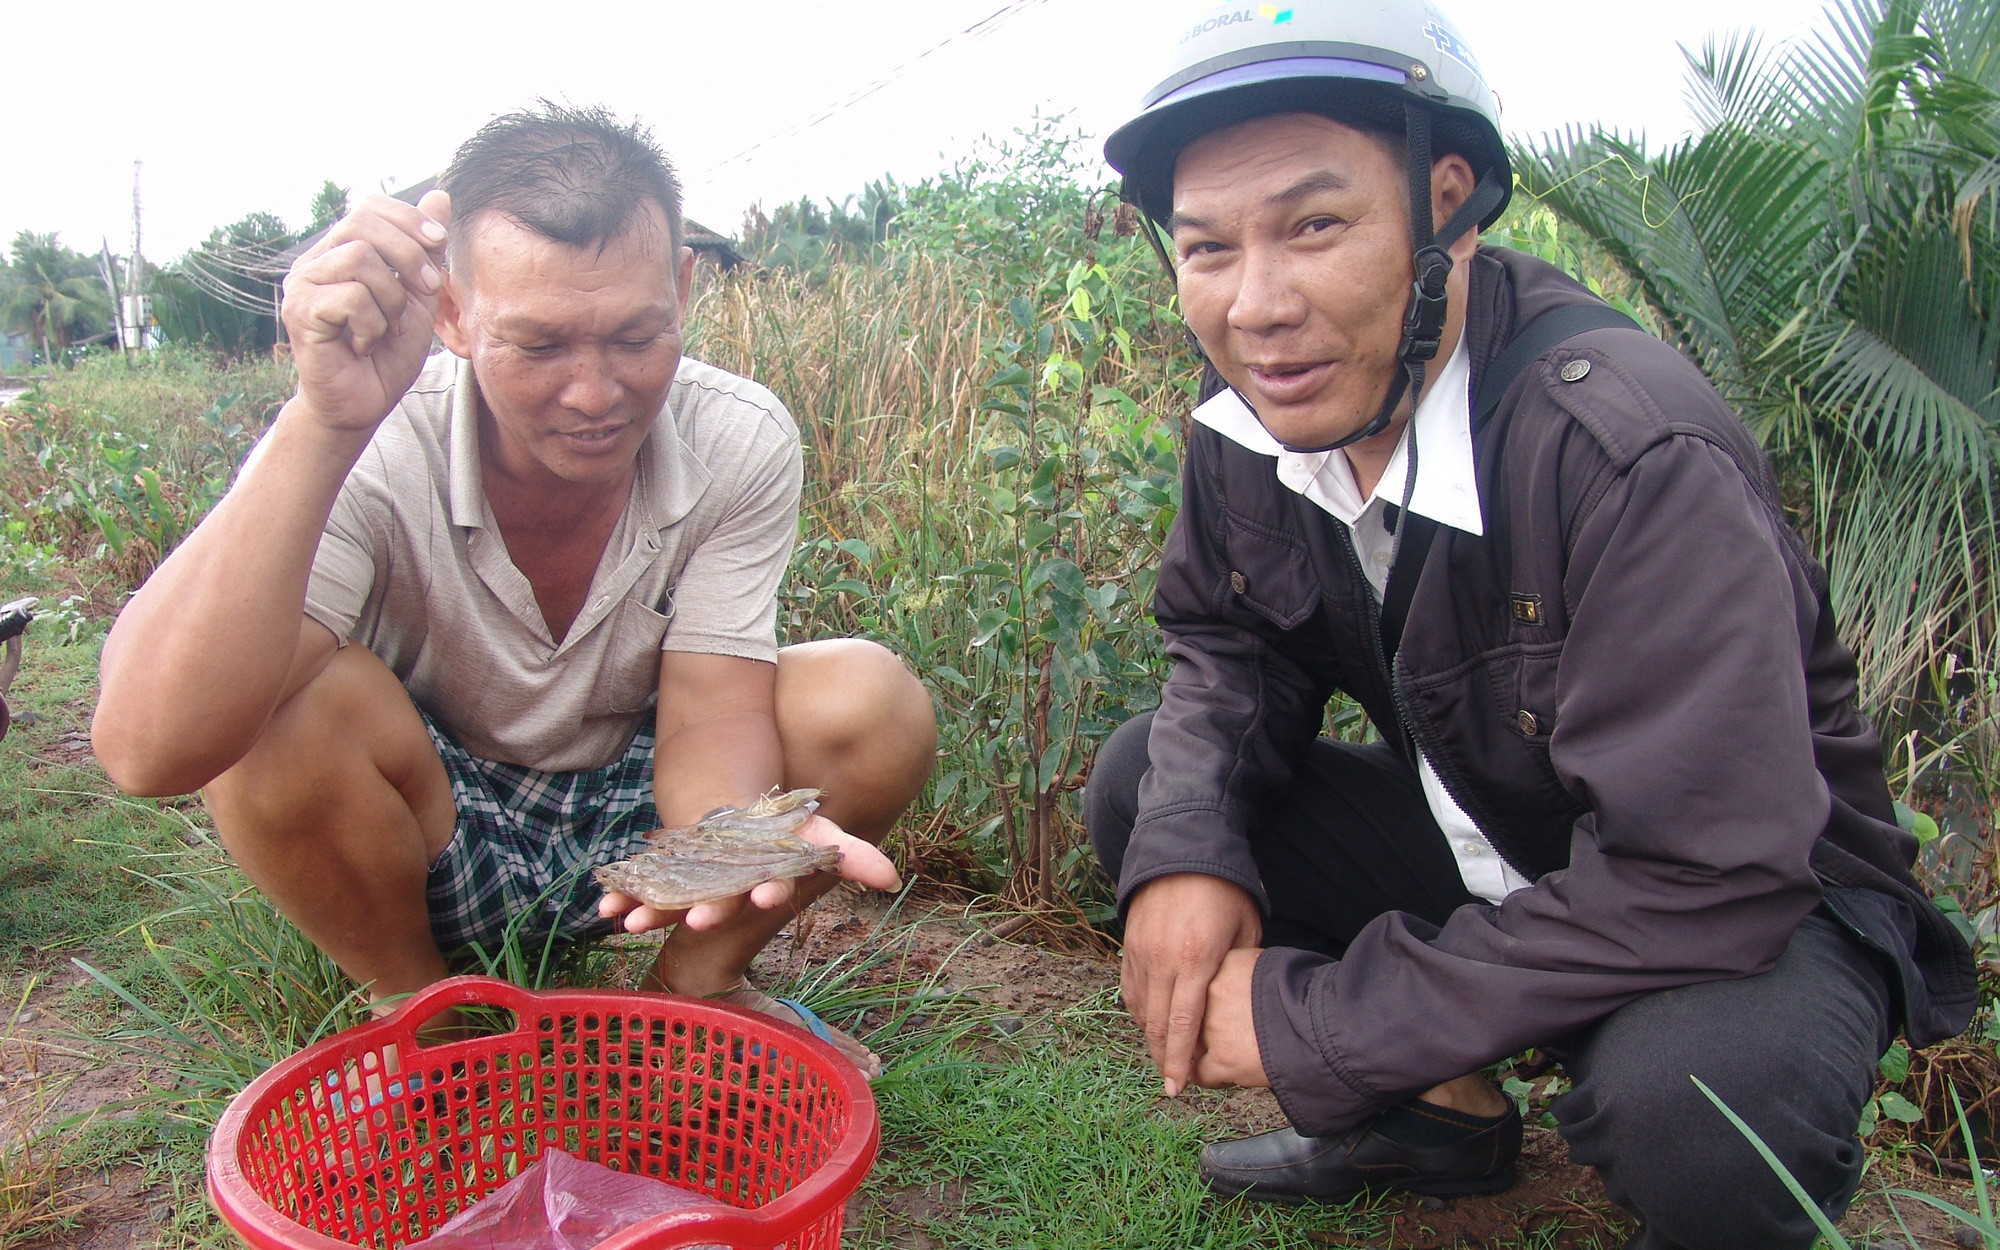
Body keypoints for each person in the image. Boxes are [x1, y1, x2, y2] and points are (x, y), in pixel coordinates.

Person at [1084, 4, 1975, 1245]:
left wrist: (1321, 1025)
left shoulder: (1624, 450)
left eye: (1314, 225)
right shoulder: (1256, 407)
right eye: (1206, 249)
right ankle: (1436, 1119)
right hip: (1515, 836)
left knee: (1705, 1113)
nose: (1257, 305)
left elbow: (1705, 866)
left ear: (1444, 200)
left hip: (1751, 892)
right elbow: (1224, 642)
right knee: (1149, 783)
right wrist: (1185, 849)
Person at [91, 104, 935, 1075]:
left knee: (868, 694)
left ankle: (690, 985)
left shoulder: (738, 434)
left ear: (684, 288)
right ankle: (423, 1013)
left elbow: (711, 709)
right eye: (537, 346)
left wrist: (727, 842)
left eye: (635, 335)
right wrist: (321, 423)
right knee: (271, 707)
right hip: (434, 814)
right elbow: (150, 749)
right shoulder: (369, 437)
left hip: (630, 818)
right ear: (451, 312)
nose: (593, 393)